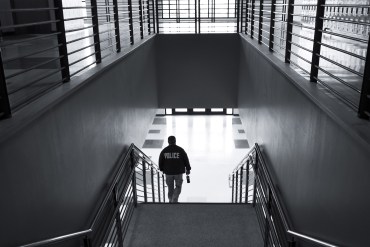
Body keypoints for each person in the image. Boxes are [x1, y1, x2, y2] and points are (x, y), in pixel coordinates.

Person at [159, 136, 191, 203]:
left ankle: (171, 200)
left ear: (168, 142)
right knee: (178, 186)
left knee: (170, 188)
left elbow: (160, 161)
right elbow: (186, 160)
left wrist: (162, 169)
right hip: (178, 172)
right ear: (175, 141)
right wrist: (188, 169)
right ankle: (174, 199)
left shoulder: (164, 151)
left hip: (168, 173)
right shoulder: (180, 150)